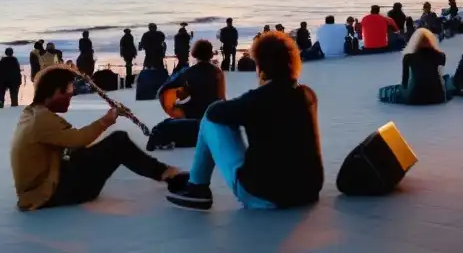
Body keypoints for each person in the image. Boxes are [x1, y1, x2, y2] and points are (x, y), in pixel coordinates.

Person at [167, 31, 323, 210]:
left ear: (260, 66)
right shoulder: (308, 94)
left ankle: (197, 187)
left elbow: (216, 112)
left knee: (211, 115)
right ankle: (197, 183)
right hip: (308, 192)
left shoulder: (256, 100)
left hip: (265, 196)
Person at [11, 66, 186, 210]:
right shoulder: (41, 120)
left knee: (104, 148)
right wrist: (106, 120)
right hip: (48, 195)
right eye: (70, 89)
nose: (71, 95)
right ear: (56, 91)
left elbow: (69, 143)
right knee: (118, 142)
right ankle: (166, 174)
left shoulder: (32, 113)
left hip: (41, 187)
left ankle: (163, 172)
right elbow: (78, 139)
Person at [159, 40, 226, 122]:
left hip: (193, 114)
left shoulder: (187, 72)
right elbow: (221, 97)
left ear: (195, 54)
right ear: (210, 54)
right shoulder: (217, 72)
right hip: (211, 113)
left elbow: (165, 88)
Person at [378, 28, 449, 105]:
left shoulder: (408, 57)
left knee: (397, 90)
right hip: (437, 97)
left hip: (414, 98)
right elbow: (440, 74)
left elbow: (405, 80)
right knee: (446, 78)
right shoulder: (441, 56)